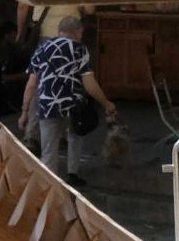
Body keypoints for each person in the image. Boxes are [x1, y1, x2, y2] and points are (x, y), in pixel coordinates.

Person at [21, 12, 115, 181]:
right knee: (75, 136)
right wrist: (106, 103)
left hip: (47, 103)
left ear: (59, 31)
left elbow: (31, 85)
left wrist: (24, 111)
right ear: (78, 32)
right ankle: (73, 174)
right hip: (72, 104)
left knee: (49, 148)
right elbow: (89, 83)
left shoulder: (42, 48)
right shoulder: (80, 50)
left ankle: (49, 184)